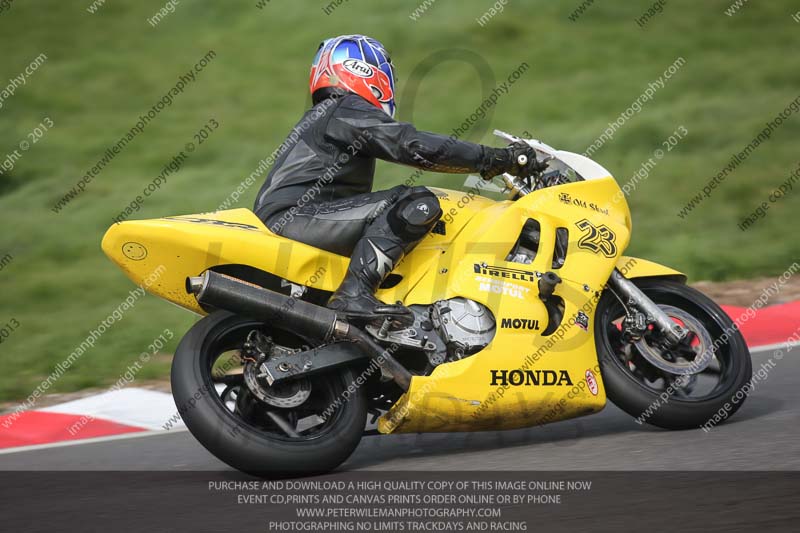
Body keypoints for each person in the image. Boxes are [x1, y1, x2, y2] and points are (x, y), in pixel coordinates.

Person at [254, 34, 544, 322]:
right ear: (365, 70)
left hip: (294, 219)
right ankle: (354, 294)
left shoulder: (327, 115)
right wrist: (497, 158)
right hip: (295, 218)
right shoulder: (341, 108)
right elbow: (412, 145)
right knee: (414, 202)